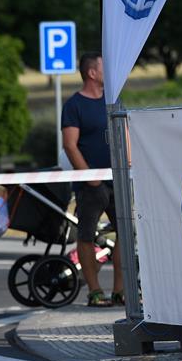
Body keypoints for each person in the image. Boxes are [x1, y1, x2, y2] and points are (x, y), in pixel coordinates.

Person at [61, 52, 123, 307]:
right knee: (86, 235)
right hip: (90, 185)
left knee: (126, 233)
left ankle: (121, 290)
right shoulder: (74, 105)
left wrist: (127, 165)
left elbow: (124, 132)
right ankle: (95, 291)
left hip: (117, 179)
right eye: (103, 67)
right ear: (92, 73)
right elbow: (70, 145)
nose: (109, 70)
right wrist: (90, 178)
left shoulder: (113, 100)